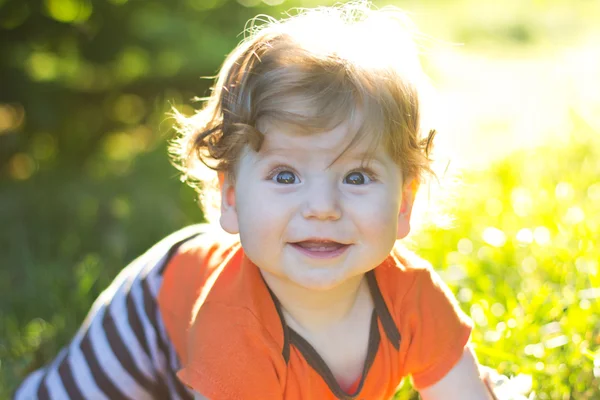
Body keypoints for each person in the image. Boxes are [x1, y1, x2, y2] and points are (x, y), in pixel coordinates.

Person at [15, 2, 503, 399]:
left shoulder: (414, 300)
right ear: (231, 198)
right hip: (152, 320)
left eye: (357, 176)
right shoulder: (235, 331)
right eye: (285, 175)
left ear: (403, 203)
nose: (322, 207)